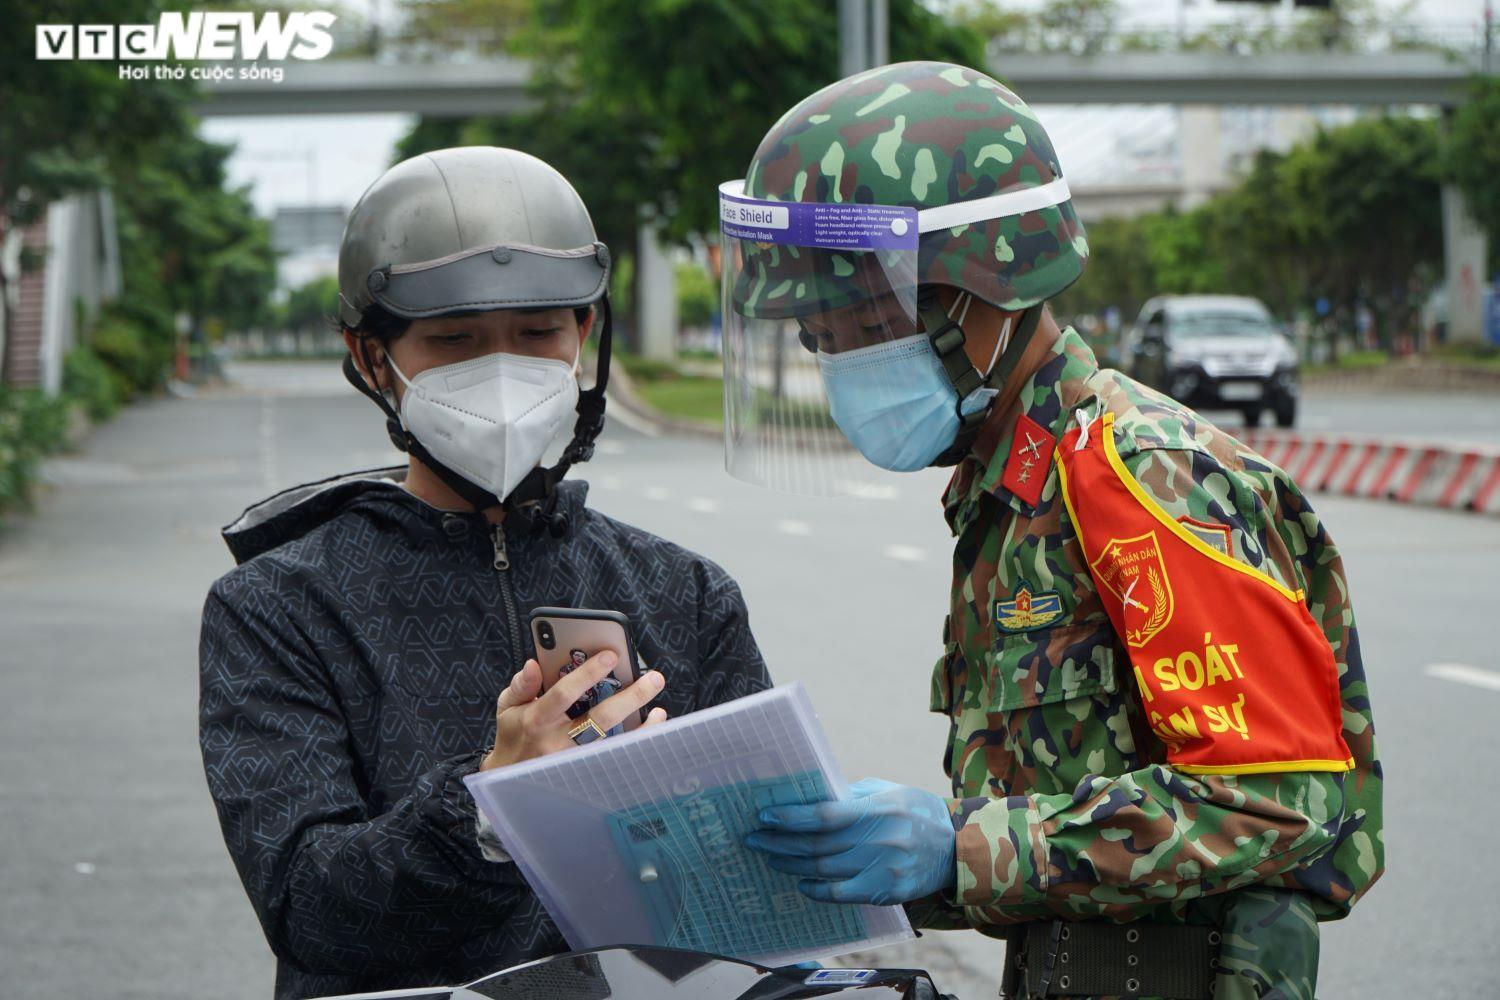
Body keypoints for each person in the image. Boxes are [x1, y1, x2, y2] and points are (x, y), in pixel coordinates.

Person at [725, 62, 1382, 999]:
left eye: (867, 315)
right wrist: (898, 859)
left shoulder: (1136, 471)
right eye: (818, 332)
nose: (841, 358)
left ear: (992, 283)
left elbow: (1281, 799)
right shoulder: (1009, 487)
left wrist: (958, 847)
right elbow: (1062, 827)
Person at [198, 146, 771, 1000]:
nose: (504, 370)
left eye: (538, 332)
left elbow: (755, 894)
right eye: (455, 340)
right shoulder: (278, 607)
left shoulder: (685, 592)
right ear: (370, 358)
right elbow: (309, 908)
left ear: (584, 335)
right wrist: (488, 810)